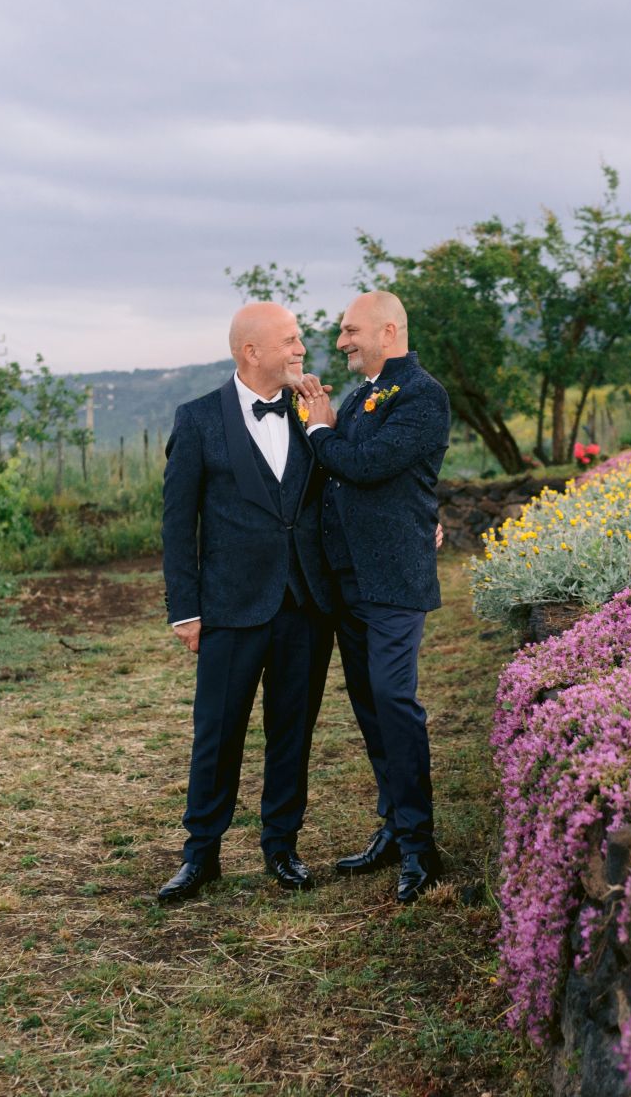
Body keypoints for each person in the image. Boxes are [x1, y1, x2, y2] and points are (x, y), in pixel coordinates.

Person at [156, 302, 336, 905]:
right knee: (218, 733)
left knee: (293, 732)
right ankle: (200, 854)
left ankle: (281, 847)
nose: (301, 350)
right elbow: (179, 524)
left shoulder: (313, 412)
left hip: (304, 602)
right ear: (250, 351)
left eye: (300, 339)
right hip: (229, 607)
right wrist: (185, 609)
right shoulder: (198, 418)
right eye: (289, 340)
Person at [294, 290, 451, 904]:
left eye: (350, 331)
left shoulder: (421, 395)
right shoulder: (362, 393)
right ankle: (393, 826)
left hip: (392, 578)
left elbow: (363, 465)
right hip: (347, 578)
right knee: (367, 704)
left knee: (393, 698)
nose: (340, 342)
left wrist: (319, 431)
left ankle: (421, 845)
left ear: (388, 331)